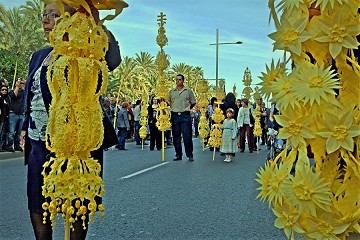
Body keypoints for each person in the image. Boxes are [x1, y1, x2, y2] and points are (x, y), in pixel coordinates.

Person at [20, 2, 121, 239]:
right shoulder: (39, 56)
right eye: (44, 14)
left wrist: (96, 23)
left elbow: (113, 59)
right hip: (39, 143)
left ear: (72, 19)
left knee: (77, 205)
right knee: (37, 202)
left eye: (54, 15)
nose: (45, 20)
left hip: (76, 144)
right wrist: (25, 127)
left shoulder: (88, 50)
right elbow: (32, 96)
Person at [167, 74, 196, 161]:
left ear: (183, 81)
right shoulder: (171, 92)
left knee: (187, 136)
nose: (178, 81)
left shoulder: (188, 91)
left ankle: (189, 154)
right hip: (175, 115)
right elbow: (167, 102)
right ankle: (178, 154)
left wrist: (187, 109)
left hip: (185, 115)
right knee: (176, 136)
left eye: (179, 79)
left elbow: (193, 102)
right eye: (176, 80)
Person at [6, 77, 26, 152]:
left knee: (19, 132)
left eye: (22, 83)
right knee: (11, 131)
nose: (21, 85)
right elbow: (13, 96)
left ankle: (17, 145)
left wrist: (25, 82)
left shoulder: (24, 92)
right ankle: (10, 145)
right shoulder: (12, 91)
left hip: (22, 114)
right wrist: (17, 86)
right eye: (19, 83)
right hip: (13, 114)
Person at [0, 85, 9, 151]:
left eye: (5, 90)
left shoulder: (7, 98)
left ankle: (1, 146)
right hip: (1, 118)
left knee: (2, 133)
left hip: (4, 118)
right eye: (2, 89)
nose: (4, 91)